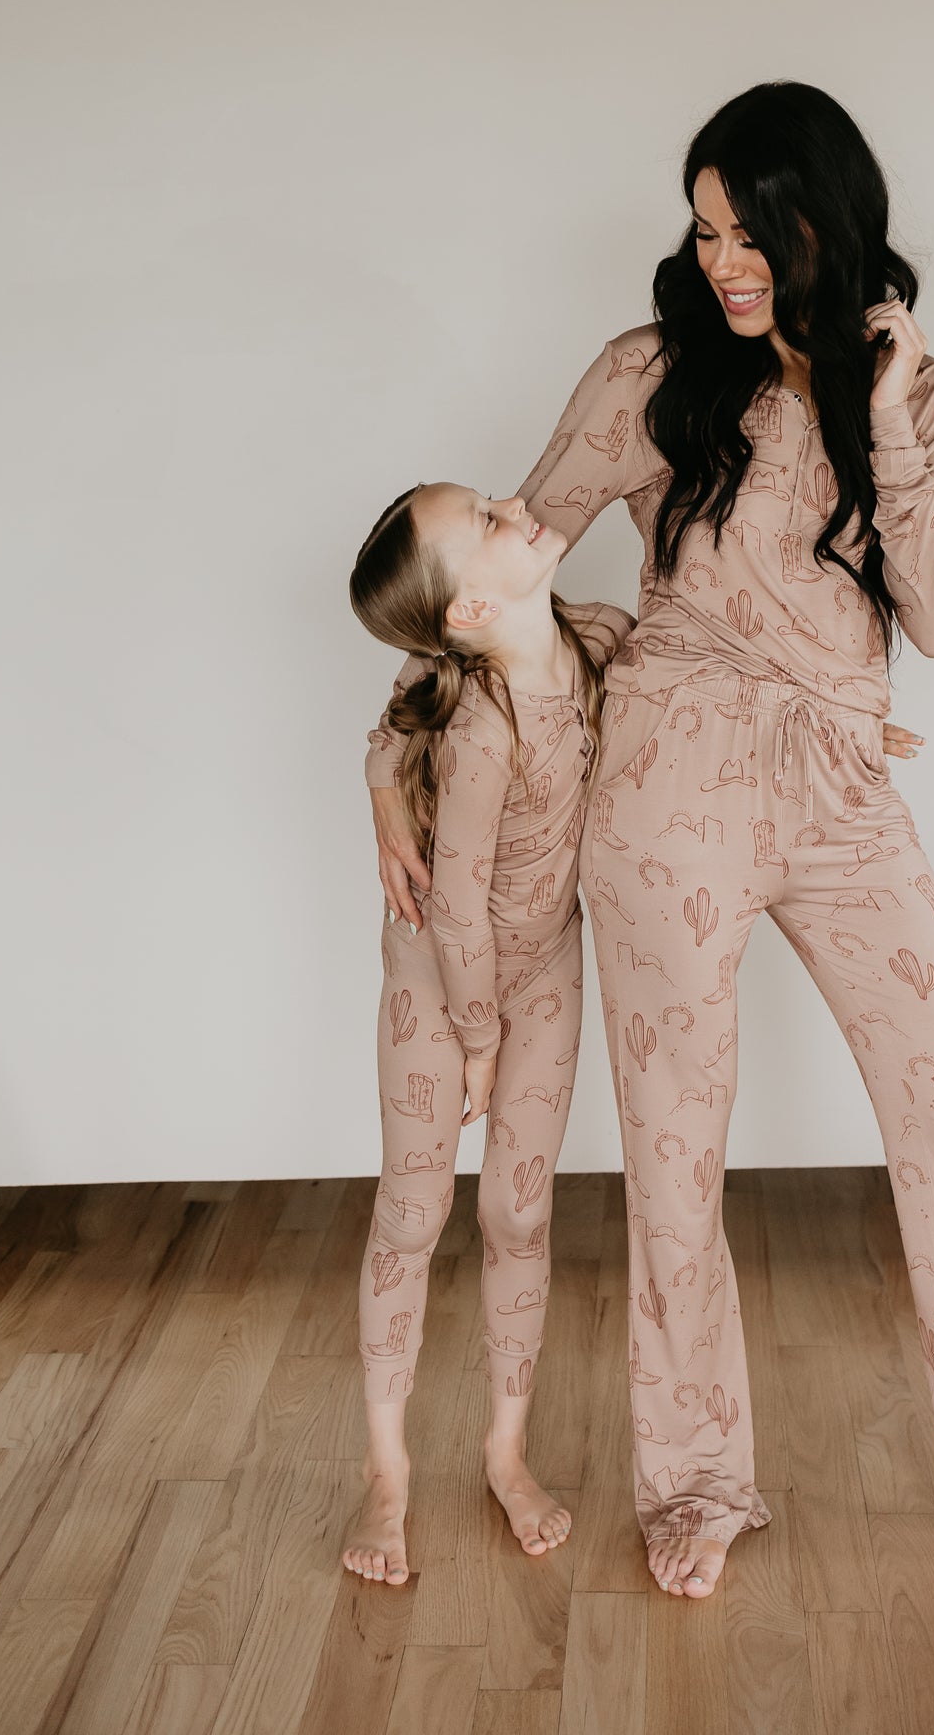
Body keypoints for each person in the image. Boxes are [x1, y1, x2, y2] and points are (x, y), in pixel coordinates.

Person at [371, 80, 934, 1603]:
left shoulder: (925, 399)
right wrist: (387, 766)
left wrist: (881, 422)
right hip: (668, 780)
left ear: (832, 218)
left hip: (836, 786)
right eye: (703, 230)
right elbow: (497, 585)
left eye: (749, 228)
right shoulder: (650, 371)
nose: (724, 260)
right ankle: (694, 1483)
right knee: (680, 1151)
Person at [342, 477, 633, 1582]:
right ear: (466, 610)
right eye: (487, 520)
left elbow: (707, 681)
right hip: (440, 982)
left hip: (543, 967)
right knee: (413, 1212)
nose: (518, 502)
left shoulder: (593, 637)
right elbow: (454, 902)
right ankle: (386, 1470)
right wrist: (473, 1036)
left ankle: (504, 1449)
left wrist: (825, 716)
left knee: (517, 1208)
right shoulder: (476, 727)